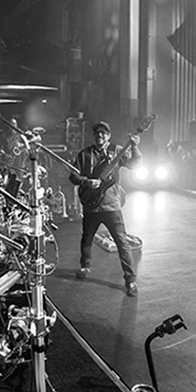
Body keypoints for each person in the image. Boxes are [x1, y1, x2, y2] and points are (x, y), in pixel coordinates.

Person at [69, 120, 141, 296]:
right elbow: (73, 176)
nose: (99, 135)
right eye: (97, 133)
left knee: (122, 243)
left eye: (103, 133)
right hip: (90, 206)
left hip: (111, 206)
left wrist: (135, 148)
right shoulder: (85, 154)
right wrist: (86, 181)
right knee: (86, 238)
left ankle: (130, 280)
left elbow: (134, 165)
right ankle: (85, 266)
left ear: (109, 136)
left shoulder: (117, 151)